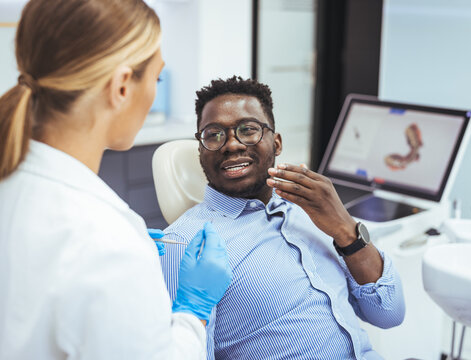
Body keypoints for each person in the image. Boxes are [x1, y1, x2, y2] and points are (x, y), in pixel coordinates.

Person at [0, 1, 231, 359]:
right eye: (156, 78)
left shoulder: (17, 180)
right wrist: (193, 311)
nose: (155, 89)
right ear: (122, 86)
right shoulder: (106, 240)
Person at [160, 76, 406, 360]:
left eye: (248, 130)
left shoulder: (313, 211)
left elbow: (389, 313)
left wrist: (345, 229)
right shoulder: (183, 244)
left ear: (276, 143)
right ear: (201, 151)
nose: (231, 145)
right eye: (213, 135)